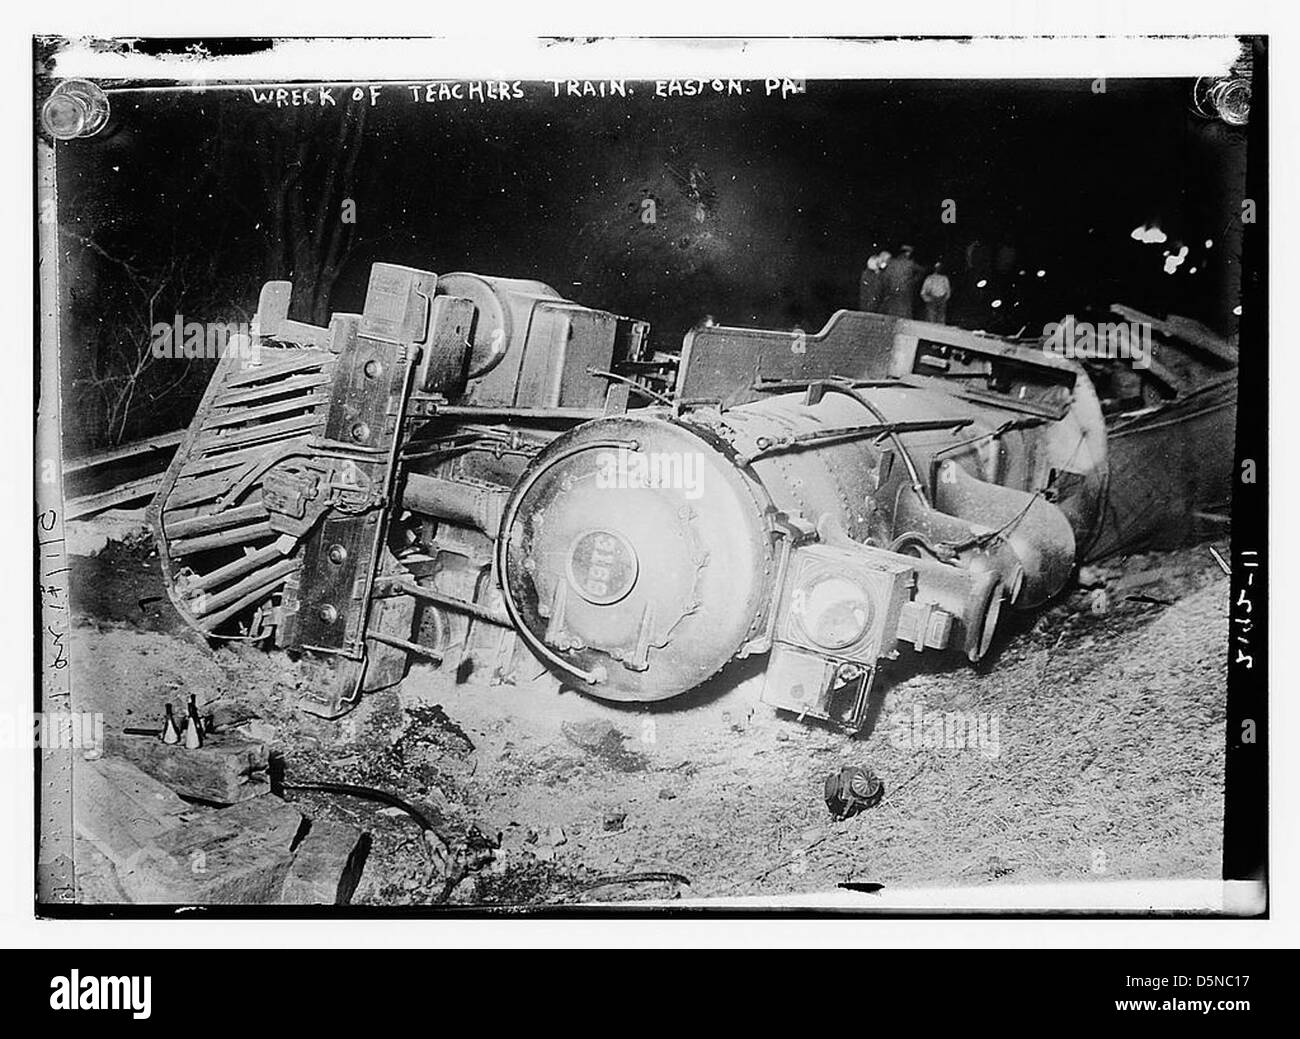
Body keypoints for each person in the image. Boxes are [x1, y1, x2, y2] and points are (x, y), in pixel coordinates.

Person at [879, 244, 923, 318]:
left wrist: (887, 286)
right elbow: (921, 271)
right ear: (907, 253)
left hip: (892, 290)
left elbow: (885, 276)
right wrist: (914, 281)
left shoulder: (892, 262)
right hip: (905, 291)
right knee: (905, 312)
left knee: (892, 312)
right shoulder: (910, 263)